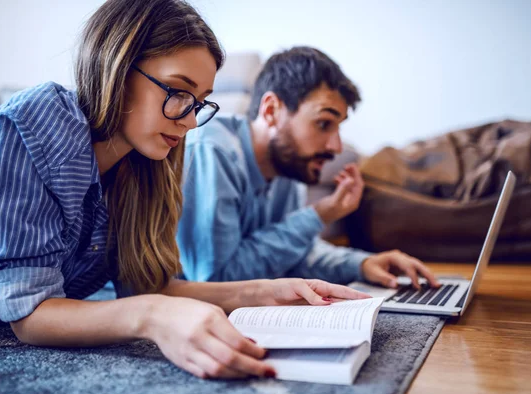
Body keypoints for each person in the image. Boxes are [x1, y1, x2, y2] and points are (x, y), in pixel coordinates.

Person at [0, 0, 369, 380]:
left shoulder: (146, 162)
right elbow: (30, 315)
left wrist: (269, 292)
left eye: (200, 102)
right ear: (117, 66)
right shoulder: (36, 122)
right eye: (178, 92)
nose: (190, 122)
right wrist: (153, 316)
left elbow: (147, 286)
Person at [178, 46, 441, 290]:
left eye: (339, 128)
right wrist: (318, 215)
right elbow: (215, 280)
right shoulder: (212, 150)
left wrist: (360, 264)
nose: (336, 147)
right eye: (324, 124)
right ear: (271, 110)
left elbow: (291, 254)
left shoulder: (288, 166)